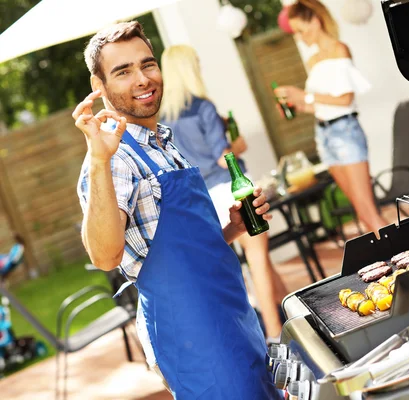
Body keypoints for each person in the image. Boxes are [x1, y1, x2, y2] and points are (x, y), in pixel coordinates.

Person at [74, 21, 281, 399]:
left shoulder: (165, 142)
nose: (142, 79)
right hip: (192, 335)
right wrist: (99, 159)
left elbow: (180, 248)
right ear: (98, 87)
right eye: (123, 71)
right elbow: (105, 257)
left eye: (147, 64)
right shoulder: (112, 160)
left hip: (233, 312)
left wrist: (232, 229)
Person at [159, 45, 288, 341]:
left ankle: (293, 311)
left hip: (204, 198)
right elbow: (222, 155)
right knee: (258, 261)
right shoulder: (202, 107)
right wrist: (238, 146)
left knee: (259, 261)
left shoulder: (164, 118)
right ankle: (274, 333)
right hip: (232, 189)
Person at [274, 0, 388, 236]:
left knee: (368, 210)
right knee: (360, 211)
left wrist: (303, 95)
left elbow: (345, 100)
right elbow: (320, 105)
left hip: (345, 133)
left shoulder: (339, 50)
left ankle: (408, 256)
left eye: (301, 31)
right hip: (324, 134)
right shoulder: (313, 61)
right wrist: (297, 105)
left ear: (315, 21)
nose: (299, 37)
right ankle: (392, 258)